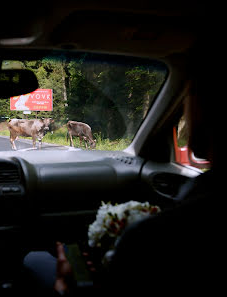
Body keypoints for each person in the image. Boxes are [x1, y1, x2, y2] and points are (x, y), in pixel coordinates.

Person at [23, 30, 223, 295]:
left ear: (200, 101)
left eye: (186, 93)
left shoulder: (149, 237)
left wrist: (65, 288)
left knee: (32, 258)